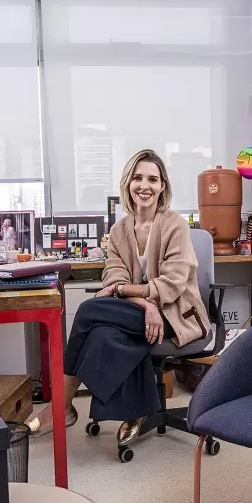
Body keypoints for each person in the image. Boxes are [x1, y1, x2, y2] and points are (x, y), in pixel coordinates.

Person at [59, 149, 208, 443]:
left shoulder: (175, 225)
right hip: (141, 313)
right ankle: (135, 413)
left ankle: (62, 405)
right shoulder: (118, 231)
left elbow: (171, 284)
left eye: (153, 179)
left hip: (176, 314)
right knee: (103, 333)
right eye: (138, 178)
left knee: (89, 312)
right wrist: (145, 305)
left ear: (162, 186)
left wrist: (122, 291)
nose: (145, 186)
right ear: (128, 183)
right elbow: (114, 277)